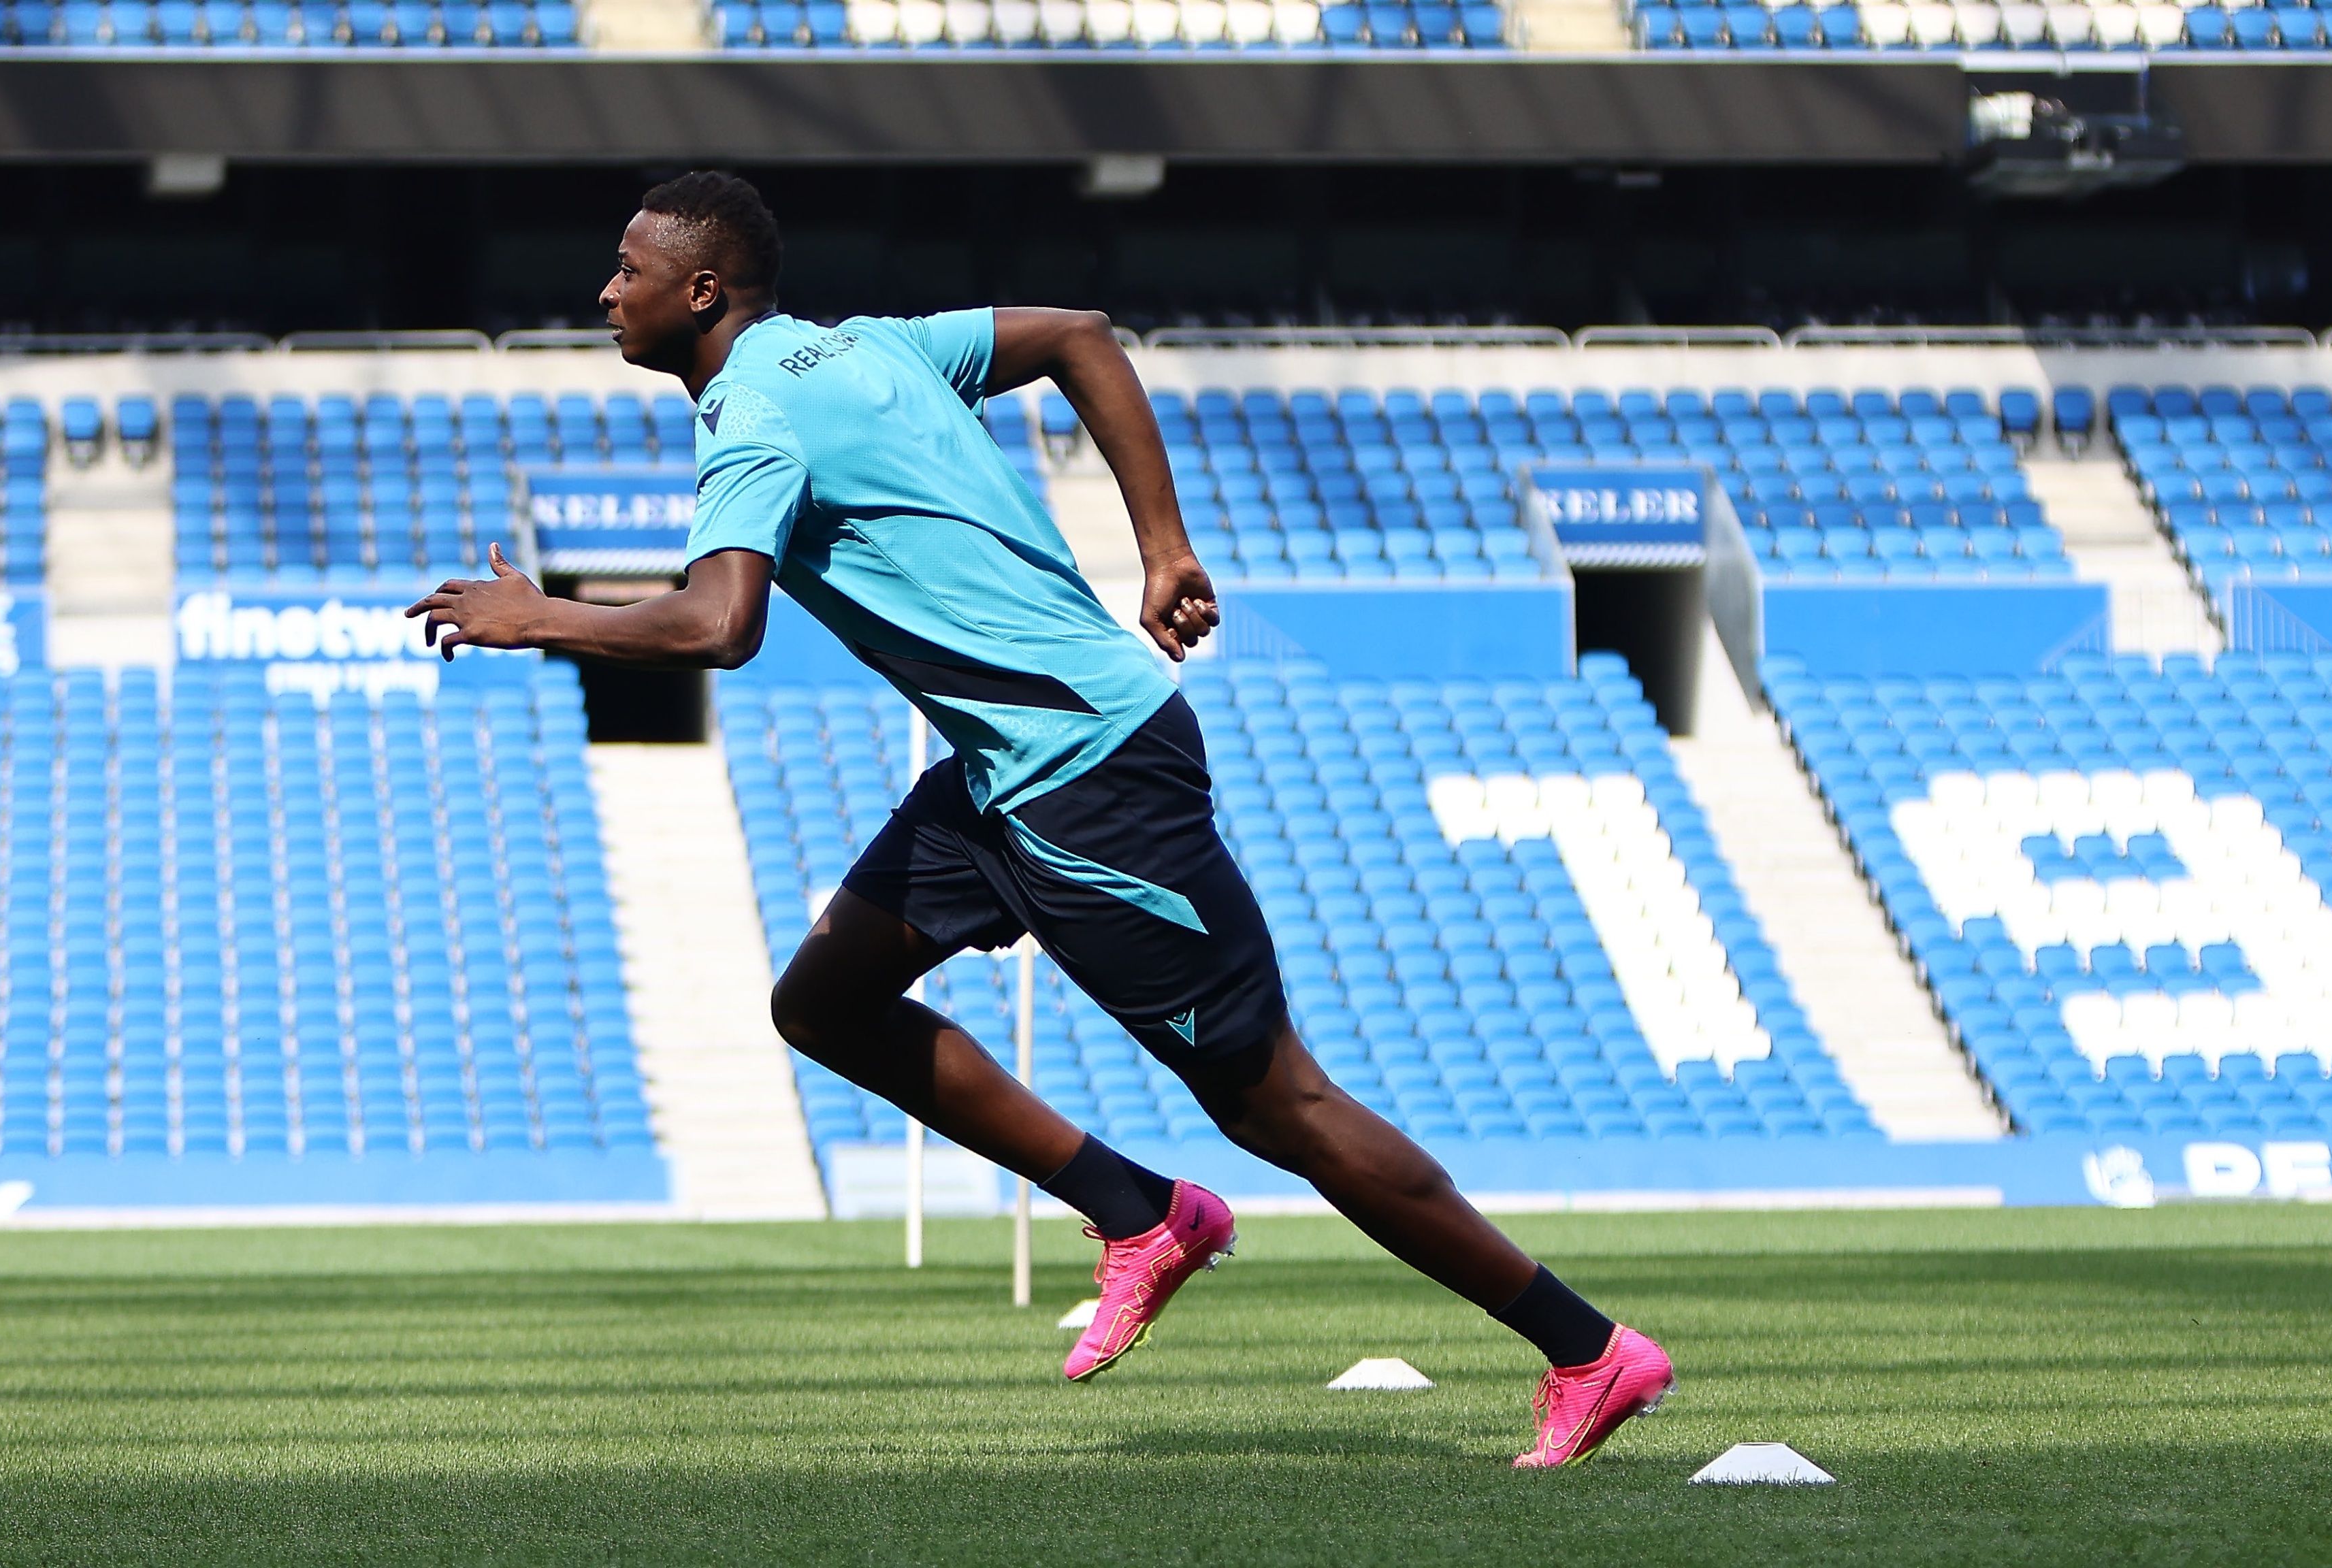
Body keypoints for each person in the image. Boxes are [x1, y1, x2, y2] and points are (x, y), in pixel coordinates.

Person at [407, 170, 1673, 1467]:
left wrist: (542, 617)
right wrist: (1163, 548)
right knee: (824, 1003)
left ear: (703, 290)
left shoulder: (750, 416)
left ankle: (1587, 1349)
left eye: (628, 269)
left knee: (1279, 1104)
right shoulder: (871, 348)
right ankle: (1141, 1216)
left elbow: (723, 625)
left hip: (1087, 775)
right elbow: (1079, 333)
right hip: (1003, 769)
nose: (605, 291)